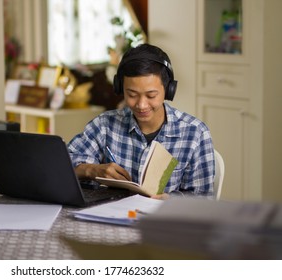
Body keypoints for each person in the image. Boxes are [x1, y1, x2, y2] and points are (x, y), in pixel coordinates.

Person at [67, 44, 215, 199]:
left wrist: (171, 201)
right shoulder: (104, 125)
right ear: (120, 88)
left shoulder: (196, 133)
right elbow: (61, 165)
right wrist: (91, 170)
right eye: (132, 94)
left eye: (151, 95)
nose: (141, 105)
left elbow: (203, 200)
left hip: (163, 220)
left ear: (169, 90)